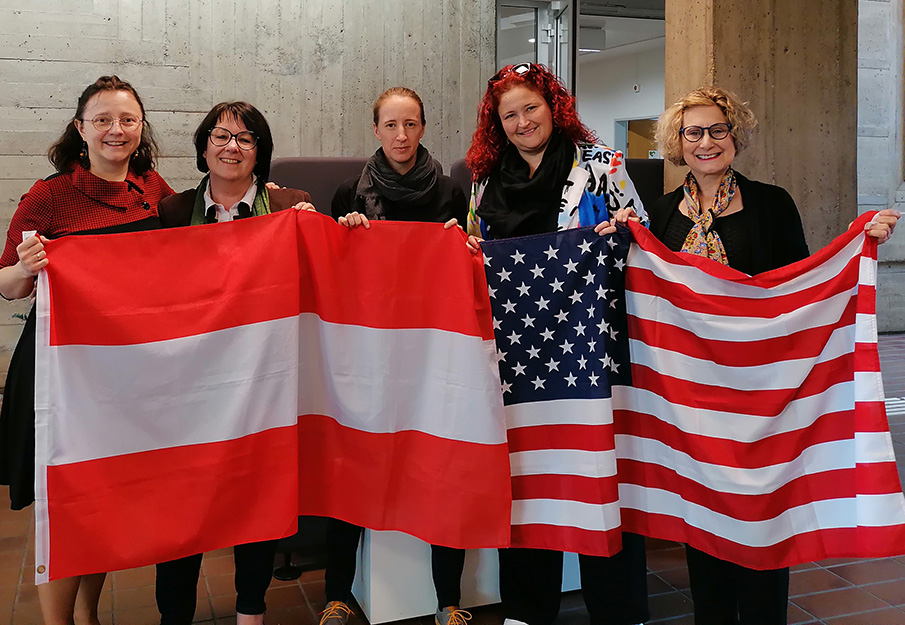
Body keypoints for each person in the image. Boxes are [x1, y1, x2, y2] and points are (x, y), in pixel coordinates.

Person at [598, 85, 899, 625]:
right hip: (692, 408)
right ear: (677, 142)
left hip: (764, 401)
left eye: (718, 130)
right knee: (705, 531)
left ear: (734, 135)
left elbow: (806, 286)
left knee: (763, 530)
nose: (706, 142)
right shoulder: (660, 216)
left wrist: (859, 243)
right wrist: (615, 240)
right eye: (694, 132)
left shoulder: (771, 202)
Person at [465, 62, 650, 625]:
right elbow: (473, 246)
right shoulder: (484, 178)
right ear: (497, 124)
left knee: (602, 474)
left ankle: (618, 611)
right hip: (514, 352)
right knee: (525, 479)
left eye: (532, 109)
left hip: (593, 346)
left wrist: (619, 230)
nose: (523, 122)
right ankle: (526, 610)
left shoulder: (602, 165)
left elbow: (642, 237)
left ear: (555, 107)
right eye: (509, 114)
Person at [0, 75, 173, 625]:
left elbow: (187, 260)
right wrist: (25, 268)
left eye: (126, 119)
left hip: (122, 372)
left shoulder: (154, 190)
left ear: (141, 129)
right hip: (58, 370)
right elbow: (6, 284)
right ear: (81, 129)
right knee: (62, 502)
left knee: (102, 498)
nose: (115, 130)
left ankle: (88, 616)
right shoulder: (48, 196)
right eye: (102, 120)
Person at [153, 101, 313, 625]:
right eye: (221, 137)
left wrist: (342, 229)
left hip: (261, 381)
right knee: (182, 507)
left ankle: (251, 611)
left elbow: (326, 271)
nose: (232, 147)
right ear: (203, 148)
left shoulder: (292, 205)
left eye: (246, 139)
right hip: (190, 385)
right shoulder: (172, 212)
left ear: (260, 152)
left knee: (255, 502)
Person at [322, 86, 469, 625]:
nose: (401, 136)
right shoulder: (348, 193)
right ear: (377, 130)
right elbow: (337, 274)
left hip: (433, 349)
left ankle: (449, 602)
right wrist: (347, 235)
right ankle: (338, 593)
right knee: (354, 465)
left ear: (424, 128)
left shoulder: (453, 192)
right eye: (391, 125)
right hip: (370, 350)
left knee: (440, 468)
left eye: (411, 125)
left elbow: (466, 262)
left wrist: (460, 242)